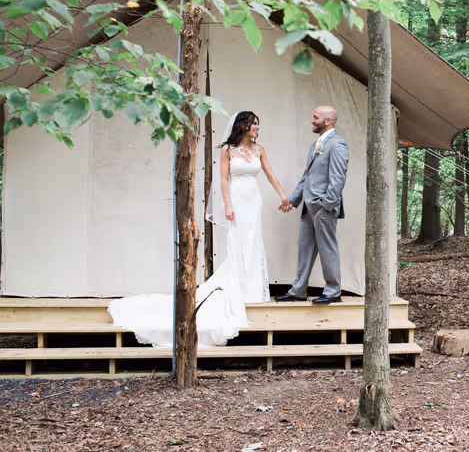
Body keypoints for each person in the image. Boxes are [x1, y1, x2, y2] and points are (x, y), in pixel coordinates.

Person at [108, 111, 291, 347]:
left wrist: (283, 196)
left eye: (258, 124)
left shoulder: (259, 150)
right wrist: (227, 205)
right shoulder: (227, 150)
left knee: (254, 241)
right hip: (236, 198)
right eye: (254, 124)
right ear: (243, 126)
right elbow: (224, 179)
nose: (257, 128)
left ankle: (254, 290)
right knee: (237, 242)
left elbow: (270, 174)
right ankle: (238, 288)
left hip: (253, 199)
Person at [276, 106, 349, 304]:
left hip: (323, 207)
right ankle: (298, 290)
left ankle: (333, 291)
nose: (312, 120)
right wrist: (292, 200)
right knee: (305, 248)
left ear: (328, 121)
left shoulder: (337, 144)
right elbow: (307, 177)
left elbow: (338, 178)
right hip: (308, 206)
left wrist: (327, 204)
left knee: (327, 248)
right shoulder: (314, 145)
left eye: (316, 117)